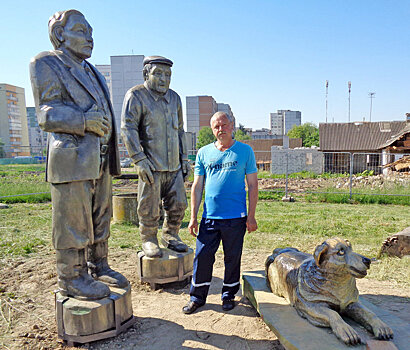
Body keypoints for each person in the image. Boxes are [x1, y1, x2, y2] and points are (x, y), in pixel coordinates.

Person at [30, 9, 128, 300]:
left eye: (91, 33)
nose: (90, 38)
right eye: (82, 31)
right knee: (72, 220)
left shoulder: (93, 70)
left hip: (99, 159)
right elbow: (46, 114)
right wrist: (84, 122)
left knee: (100, 215)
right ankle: (71, 277)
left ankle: (99, 265)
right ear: (60, 35)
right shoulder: (46, 62)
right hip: (72, 159)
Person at [183, 112, 258, 314]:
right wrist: (193, 217)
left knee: (232, 258)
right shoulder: (204, 153)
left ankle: (228, 295)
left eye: (224, 125)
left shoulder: (245, 151)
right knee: (203, 256)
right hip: (210, 218)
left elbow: (252, 186)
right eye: (216, 126)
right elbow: (197, 187)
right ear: (212, 129)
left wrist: (251, 216)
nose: (220, 129)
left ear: (232, 126)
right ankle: (197, 297)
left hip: (236, 217)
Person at [121, 56, 190, 258]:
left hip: (174, 165)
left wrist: (184, 158)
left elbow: (180, 130)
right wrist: (139, 159)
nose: (163, 79)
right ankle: (149, 238)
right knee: (149, 207)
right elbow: (128, 128)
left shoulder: (175, 98)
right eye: (158, 73)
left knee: (178, 204)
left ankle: (171, 234)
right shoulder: (136, 95)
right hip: (151, 164)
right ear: (146, 74)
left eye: (167, 75)